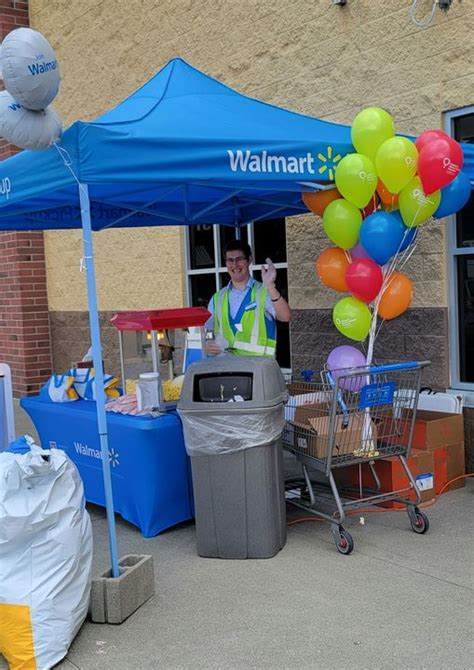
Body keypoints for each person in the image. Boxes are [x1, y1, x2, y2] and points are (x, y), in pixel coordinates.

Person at [205, 239, 291, 357]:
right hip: (227, 367)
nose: (234, 265)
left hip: (258, 368)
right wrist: (208, 341)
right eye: (230, 260)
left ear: (249, 260)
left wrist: (271, 287)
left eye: (239, 259)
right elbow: (208, 327)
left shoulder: (263, 292)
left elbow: (286, 316)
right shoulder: (217, 298)